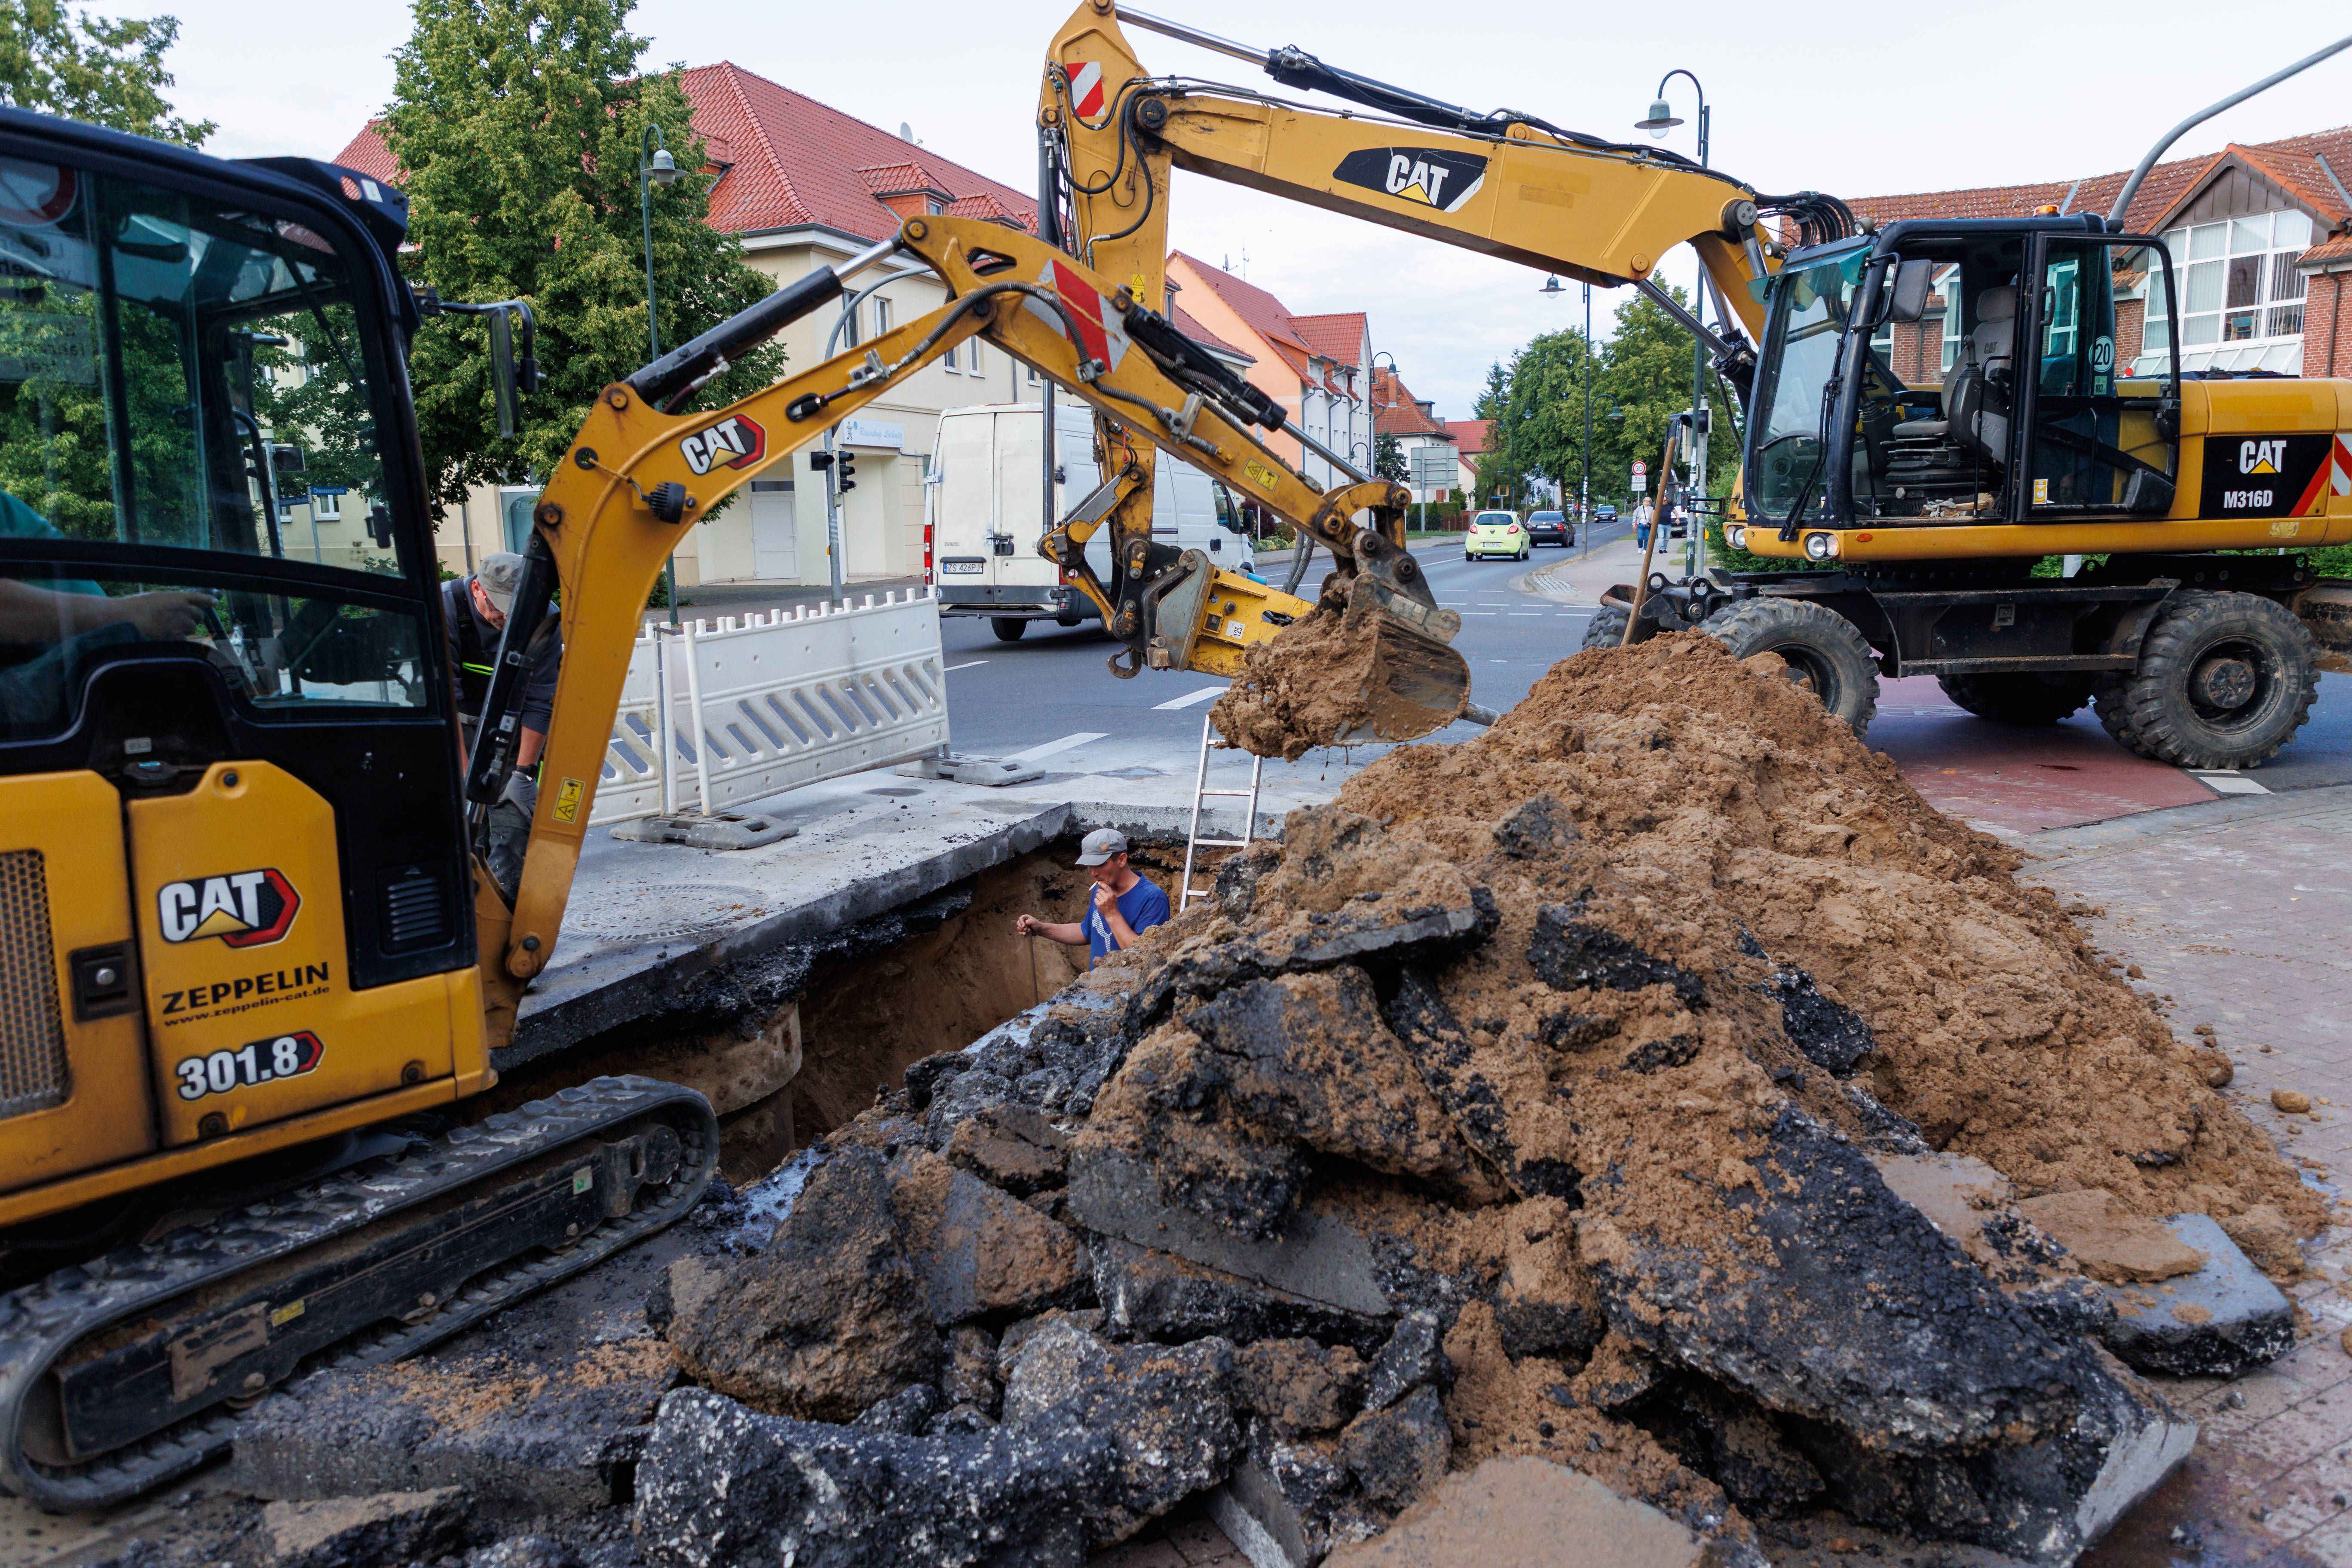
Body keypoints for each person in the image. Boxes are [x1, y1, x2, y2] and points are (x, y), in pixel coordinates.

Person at [444, 552, 561, 898]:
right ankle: (469, 920)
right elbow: (444, 703)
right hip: (460, 727)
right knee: (466, 834)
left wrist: (523, 774)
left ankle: (505, 917)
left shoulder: (544, 618)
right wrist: (467, 778)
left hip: (511, 729)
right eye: (501, 606)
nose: (509, 617)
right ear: (478, 589)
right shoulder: (445, 609)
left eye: (517, 608)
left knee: (512, 831)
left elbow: (541, 700)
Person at [1016, 828, 1170, 967]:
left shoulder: (1153, 899)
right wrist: (1042, 928)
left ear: (1122, 860)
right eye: (1089, 865)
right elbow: (1087, 932)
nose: (1093, 873)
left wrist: (1111, 914)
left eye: (1100, 864)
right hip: (1096, 991)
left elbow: (1143, 956)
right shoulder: (1102, 888)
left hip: (1128, 994)